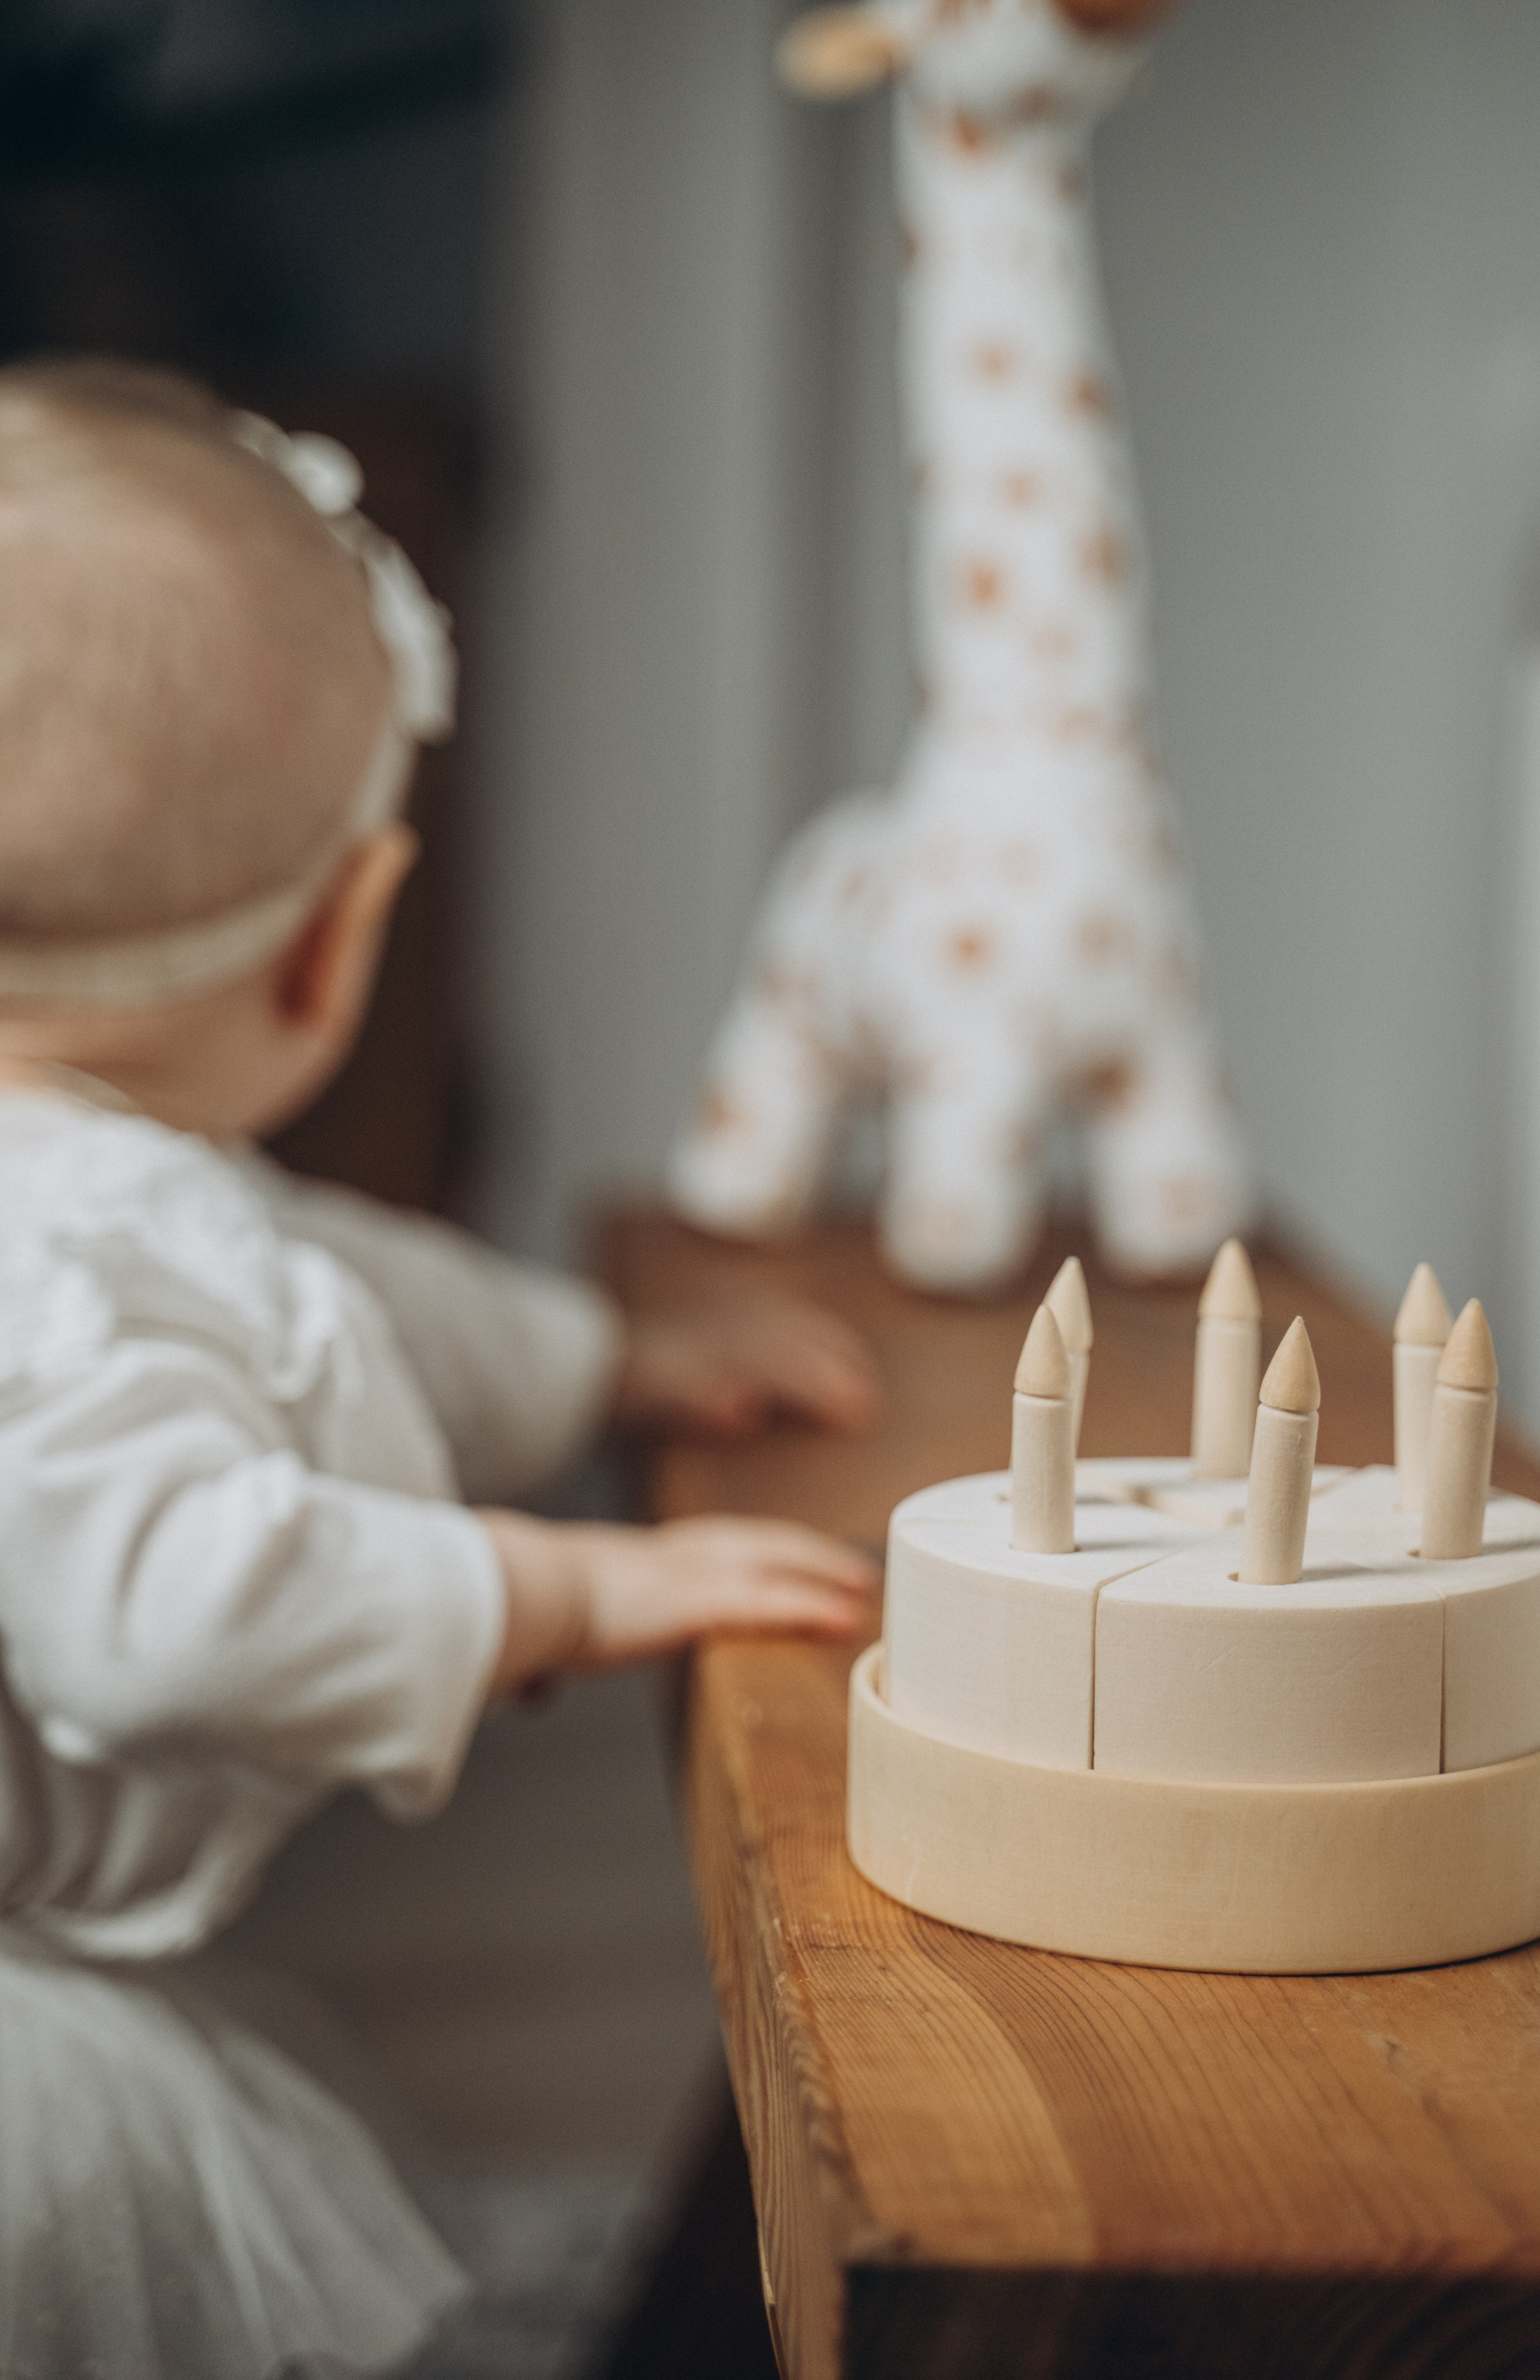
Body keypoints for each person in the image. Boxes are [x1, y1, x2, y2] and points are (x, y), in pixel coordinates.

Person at [0, 357, 881, 2379]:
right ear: (337, 943)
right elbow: (165, 1612)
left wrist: (603, 1364)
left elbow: (330, 1288)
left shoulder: (110, 1206)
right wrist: (552, 1586)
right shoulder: (64, 1273)